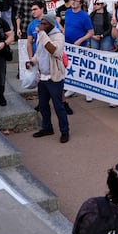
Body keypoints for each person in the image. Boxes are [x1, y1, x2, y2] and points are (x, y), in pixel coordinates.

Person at [27, 14, 69, 143]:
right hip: (43, 78)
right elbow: (39, 53)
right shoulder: (42, 35)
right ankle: (47, 128)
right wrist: (32, 61)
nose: (42, 26)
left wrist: (42, 34)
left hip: (54, 77)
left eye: (45, 24)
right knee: (43, 106)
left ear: (51, 25)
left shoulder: (58, 36)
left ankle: (65, 131)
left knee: (58, 106)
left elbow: (54, 51)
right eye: (41, 23)